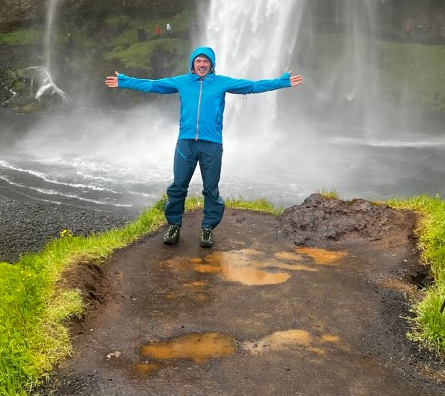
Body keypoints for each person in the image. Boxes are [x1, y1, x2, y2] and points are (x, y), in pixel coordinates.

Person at [105, 46, 303, 249]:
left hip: (212, 144)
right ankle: (174, 226)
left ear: (211, 65)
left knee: (211, 189)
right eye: (198, 61)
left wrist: (282, 82)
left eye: (206, 61)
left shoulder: (221, 82)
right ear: (192, 64)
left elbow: (252, 86)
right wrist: (124, 81)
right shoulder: (182, 82)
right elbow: (153, 85)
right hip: (186, 143)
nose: (202, 64)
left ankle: (207, 228)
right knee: (178, 186)